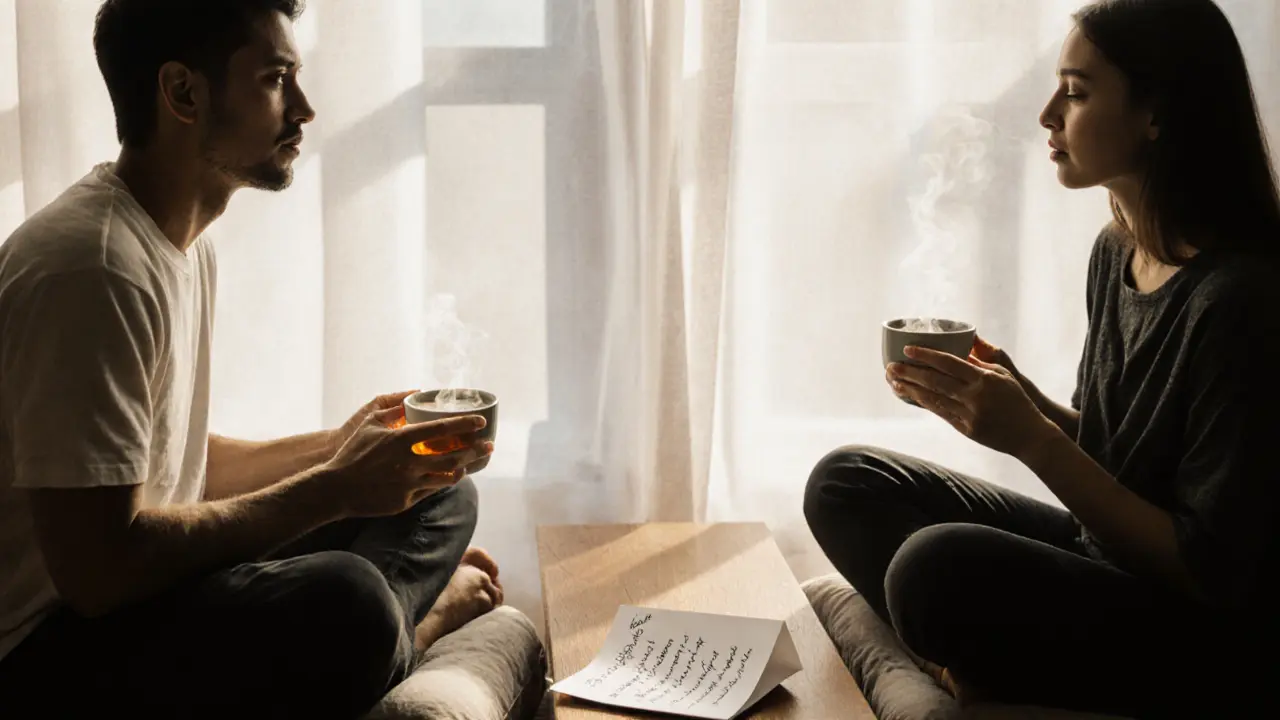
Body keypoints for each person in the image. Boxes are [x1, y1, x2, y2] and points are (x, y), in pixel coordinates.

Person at [0, 1, 505, 717]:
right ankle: (413, 627)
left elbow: (178, 469)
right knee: (347, 601)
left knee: (440, 492)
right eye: (276, 79)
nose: (304, 108)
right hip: (49, 655)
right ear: (183, 93)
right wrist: (336, 485)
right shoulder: (94, 268)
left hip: (137, 604)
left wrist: (349, 449)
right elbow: (98, 570)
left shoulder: (180, 245)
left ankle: (381, 636)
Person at [804, 0, 1280, 716]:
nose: (1047, 114)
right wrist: (1017, 397)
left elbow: (1205, 568)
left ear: (1159, 113)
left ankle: (973, 668)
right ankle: (972, 665)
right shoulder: (1117, 253)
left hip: (1202, 630)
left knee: (934, 567)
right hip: (1107, 559)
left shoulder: (1241, 299)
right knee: (845, 481)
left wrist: (1029, 437)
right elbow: (1123, 457)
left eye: (1078, 92)